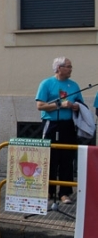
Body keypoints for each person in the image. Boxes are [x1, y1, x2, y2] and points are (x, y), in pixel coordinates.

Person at [35, 57, 82, 204]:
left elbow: (80, 103)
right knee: (50, 158)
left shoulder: (74, 85)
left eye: (71, 66)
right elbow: (40, 105)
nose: (70, 69)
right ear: (59, 68)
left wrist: (77, 106)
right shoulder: (47, 83)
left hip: (68, 125)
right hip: (51, 124)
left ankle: (64, 192)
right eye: (68, 66)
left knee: (67, 159)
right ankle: (48, 191)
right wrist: (59, 105)